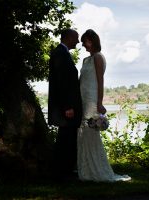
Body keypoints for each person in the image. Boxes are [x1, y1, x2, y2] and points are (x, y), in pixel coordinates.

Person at [77, 29, 131, 182]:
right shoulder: (85, 60)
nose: (83, 45)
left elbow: (100, 81)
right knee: (82, 134)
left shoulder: (99, 58)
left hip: (92, 100)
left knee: (90, 132)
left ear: (92, 41)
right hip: (83, 99)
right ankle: (86, 171)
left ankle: (97, 171)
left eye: (85, 42)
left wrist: (99, 102)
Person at [48, 28, 82, 181]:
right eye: (76, 38)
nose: (78, 41)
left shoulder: (63, 53)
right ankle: (62, 172)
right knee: (65, 141)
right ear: (68, 38)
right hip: (65, 108)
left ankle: (64, 170)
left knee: (67, 139)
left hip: (67, 107)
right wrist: (67, 106)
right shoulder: (60, 54)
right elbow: (62, 83)